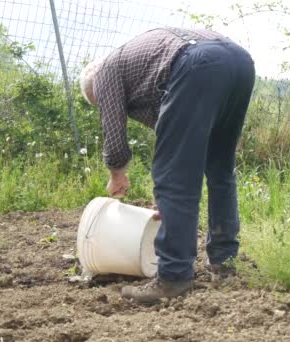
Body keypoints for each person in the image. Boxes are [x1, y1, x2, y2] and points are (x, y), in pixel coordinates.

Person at [78, 27, 255, 304]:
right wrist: (167, 203)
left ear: (93, 91)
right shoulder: (139, 66)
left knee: (173, 177)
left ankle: (173, 276)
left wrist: (117, 173)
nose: (102, 104)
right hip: (238, 62)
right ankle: (224, 262)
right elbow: (176, 134)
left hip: (196, 64)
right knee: (220, 169)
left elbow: (114, 134)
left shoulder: (104, 73)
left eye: (97, 102)